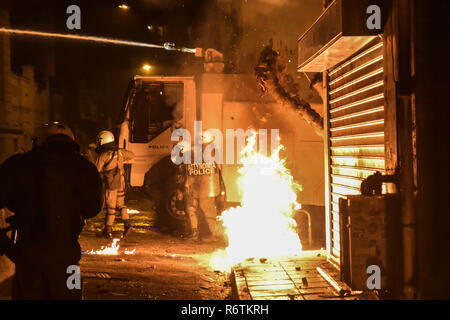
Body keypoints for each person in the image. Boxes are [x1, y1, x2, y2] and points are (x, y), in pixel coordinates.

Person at [0, 122, 103, 299]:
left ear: (36, 141)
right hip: (68, 255)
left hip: (29, 255)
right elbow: (94, 207)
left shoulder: (19, 164)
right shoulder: (85, 168)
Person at [178, 132, 226, 242]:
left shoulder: (210, 150)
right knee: (191, 208)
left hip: (206, 185)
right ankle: (195, 233)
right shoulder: (201, 150)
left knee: (206, 208)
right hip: (196, 184)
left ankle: (213, 234)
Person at [95, 130, 135, 239]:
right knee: (121, 205)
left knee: (111, 208)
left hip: (110, 183)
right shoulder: (120, 152)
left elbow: (96, 170)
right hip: (120, 182)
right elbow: (132, 155)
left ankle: (108, 230)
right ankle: (127, 225)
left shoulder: (103, 155)